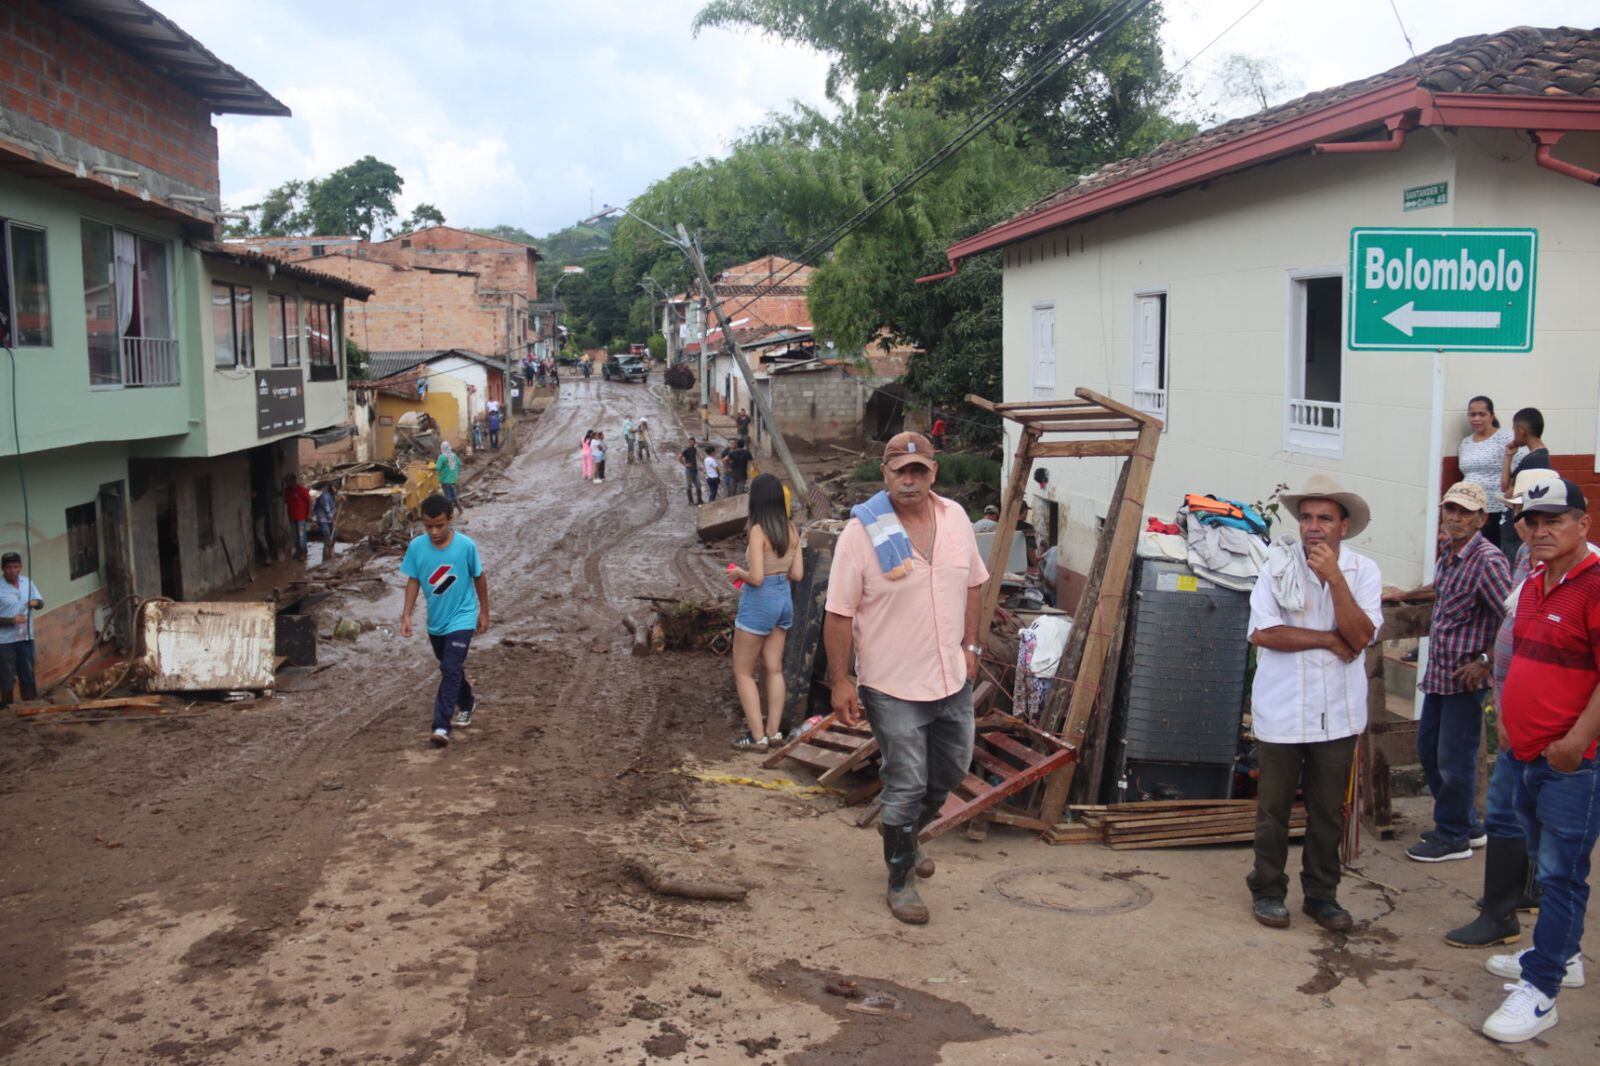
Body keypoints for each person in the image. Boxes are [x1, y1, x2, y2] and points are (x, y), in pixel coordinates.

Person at [824, 431, 989, 925]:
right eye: (901, 471)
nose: (911, 479)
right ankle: (900, 880)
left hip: (950, 677)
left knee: (950, 772)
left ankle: (904, 834)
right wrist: (841, 680)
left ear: (933, 472)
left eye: (920, 470)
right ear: (886, 474)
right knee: (906, 783)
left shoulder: (956, 518)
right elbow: (838, 613)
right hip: (892, 684)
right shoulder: (862, 534)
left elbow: (976, 584)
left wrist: (971, 647)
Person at [1479, 478, 1600, 1043]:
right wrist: (1505, 716)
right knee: (1540, 861)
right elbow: (1518, 656)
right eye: (1533, 521)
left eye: (1556, 520)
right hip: (1525, 752)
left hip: (1574, 764)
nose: (1541, 530)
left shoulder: (1595, 587)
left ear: (1584, 525)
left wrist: (1575, 742)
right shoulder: (1531, 582)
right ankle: (1564, 955)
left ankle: (1544, 988)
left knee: (1561, 874)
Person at [1245, 474, 1383, 932]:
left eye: (1325, 518)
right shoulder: (1277, 568)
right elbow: (1266, 633)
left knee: (1328, 813)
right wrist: (1329, 639)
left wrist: (1335, 579)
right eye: (1306, 517)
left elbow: (1361, 636)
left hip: (1338, 715)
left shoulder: (1363, 572)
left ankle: (1321, 896)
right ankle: (1267, 889)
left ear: (1344, 526)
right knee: (1273, 811)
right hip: (1282, 709)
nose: (1313, 527)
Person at [1442, 467, 1562, 949]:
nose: (1531, 528)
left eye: (1543, 519)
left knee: (1550, 822)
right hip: (1516, 710)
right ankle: (1503, 908)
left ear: (1577, 523)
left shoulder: (1585, 574)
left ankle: (1551, 941)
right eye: (1523, 517)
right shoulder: (1525, 562)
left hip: (1559, 724)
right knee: (1509, 813)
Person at [1385, 482, 1510, 862]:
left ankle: (1452, 836)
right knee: (1428, 750)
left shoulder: (1488, 561)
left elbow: (1514, 615)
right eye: (1451, 509)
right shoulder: (1450, 550)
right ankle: (1467, 824)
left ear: (1481, 518)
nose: (1455, 517)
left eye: (1465, 512)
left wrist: (1485, 662)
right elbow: (1441, 588)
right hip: (1439, 674)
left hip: (1465, 678)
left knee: (1454, 760)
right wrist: (1404, 594)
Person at [399, 494, 489, 747]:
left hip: (463, 616)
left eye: (439, 525)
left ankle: (441, 725)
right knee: (451, 667)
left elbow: (479, 577)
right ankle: (468, 702)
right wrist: (406, 614)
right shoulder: (416, 547)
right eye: (428, 526)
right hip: (436, 621)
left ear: (450, 519)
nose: (434, 531)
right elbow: (414, 579)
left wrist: (484, 612)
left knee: (449, 668)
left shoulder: (465, 546)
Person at [729, 473, 804, 752]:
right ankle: (773, 733)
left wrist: (739, 572)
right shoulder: (792, 529)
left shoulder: (758, 530)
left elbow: (757, 578)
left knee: (743, 672)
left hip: (760, 601)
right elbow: (797, 573)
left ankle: (757, 736)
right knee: (774, 668)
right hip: (784, 599)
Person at [1459, 396, 1513, 550]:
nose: (1476, 419)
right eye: (1472, 414)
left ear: (1492, 415)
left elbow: (1517, 468)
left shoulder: (1505, 438)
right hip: (1470, 509)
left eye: (1482, 414)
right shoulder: (1466, 443)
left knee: (1490, 550)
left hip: (1495, 509)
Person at [1500, 407, 1550, 554]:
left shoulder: (1536, 459)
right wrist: (1509, 455)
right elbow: (1504, 486)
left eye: (1514, 429)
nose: (1513, 435)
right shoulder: (1532, 457)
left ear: (1521, 430)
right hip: (1511, 527)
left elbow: (1508, 493)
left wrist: (1509, 494)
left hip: (1516, 529)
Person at [0, 552, 43, 709]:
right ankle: (7, 709)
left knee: (28, 673)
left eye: (16, 567)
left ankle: (31, 706)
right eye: (9, 567)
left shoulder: (27, 582)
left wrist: (36, 602)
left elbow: (41, 603)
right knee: (7, 677)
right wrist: (11, 620)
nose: (13, 570)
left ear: (21, 567)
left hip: (26, 637)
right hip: (5, 641)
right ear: (3, 569)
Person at [283, 473, 313, 560]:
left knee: (301, 535)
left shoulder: (301, 490)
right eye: (286, 482)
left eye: (288, 482)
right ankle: (298, 551)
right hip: (292, 517)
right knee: (294, 536)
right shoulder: (287, 491)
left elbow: (309, 501)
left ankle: (304, 552)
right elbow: (286, 500)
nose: (287, 484)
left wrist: (309, 514)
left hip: (301, 518)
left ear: (293, 481)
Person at [435, 441, 461, 509]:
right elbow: (459, 463)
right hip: (454, 479)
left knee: (448, 497)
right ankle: (460, 509)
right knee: (454, 495)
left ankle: (450, 512)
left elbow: (437, 467)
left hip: (445, 480)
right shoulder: (454, 455)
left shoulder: (441, 457)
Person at [313, 483, 337, 551]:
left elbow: (336, 493)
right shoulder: (325, 496)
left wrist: (341, 496)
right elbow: (327, 509)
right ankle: (327, 550)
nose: (335, 490)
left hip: (328, 518)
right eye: (334, 488)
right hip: (323, 518)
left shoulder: (330, 494)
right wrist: (333, 520)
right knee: (327, 533)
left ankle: (331, 549)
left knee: (334, 532)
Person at [681, 438, 704, 505]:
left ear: (694, 442)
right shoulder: (686, 450)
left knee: (698, 485)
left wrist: (700, 467)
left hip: (695, 470)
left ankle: (699, 500)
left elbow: (697, 458)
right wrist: (685, 464)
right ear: (689, 442)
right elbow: (679, 457)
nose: (691, 443)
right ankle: (690, 501)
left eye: (692, 442)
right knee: (689, 485)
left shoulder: (695, 449)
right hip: (689, 471)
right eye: (690, 442)